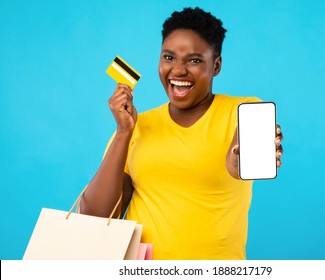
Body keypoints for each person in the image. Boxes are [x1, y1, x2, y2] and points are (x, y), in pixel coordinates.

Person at [80, 7, 283, 260]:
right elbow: (93, 218)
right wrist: (123, 133)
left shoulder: (244, 111)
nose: (178, 70)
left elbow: (238, 161)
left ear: (216, 65)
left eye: (194, 60)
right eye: (169, 58)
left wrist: (240, 159)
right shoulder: (136, 126)